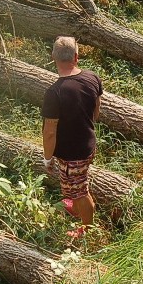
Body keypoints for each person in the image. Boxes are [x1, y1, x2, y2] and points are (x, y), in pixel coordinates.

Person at [41, 36, 102, 238]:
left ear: (53, 58)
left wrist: (48, 158)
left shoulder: (55, 92)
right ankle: (74, 206)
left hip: (73, 155)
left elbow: (50, 131)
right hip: (87, 144)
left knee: (80, 191)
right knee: (75, 183)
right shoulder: (92, 77)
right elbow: (96, 111)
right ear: (77, 56)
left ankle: (86, 229)